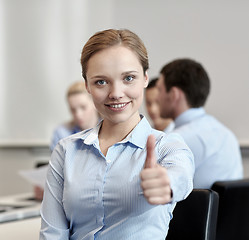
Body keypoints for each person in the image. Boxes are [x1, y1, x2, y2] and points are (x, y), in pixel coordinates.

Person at [39, 29, 194, 239]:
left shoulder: (168, 146)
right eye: (101, 82)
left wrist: (167, 184)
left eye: (129, 78)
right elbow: (52, 234)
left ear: (146, 79)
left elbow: (181, 176)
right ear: (87, 85)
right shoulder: (66, 150)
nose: (116, 93)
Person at [156, 58, 243, 189]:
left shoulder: (177, 140)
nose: (157, 98)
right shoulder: (226, 133)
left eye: (160, 90)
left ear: (174, 94)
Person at [34, 81, 100, 200]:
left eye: (83, 108)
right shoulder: (61, 133)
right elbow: (58, 172)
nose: (78, 115)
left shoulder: (109, 130)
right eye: (73, 110)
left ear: (95, 104)